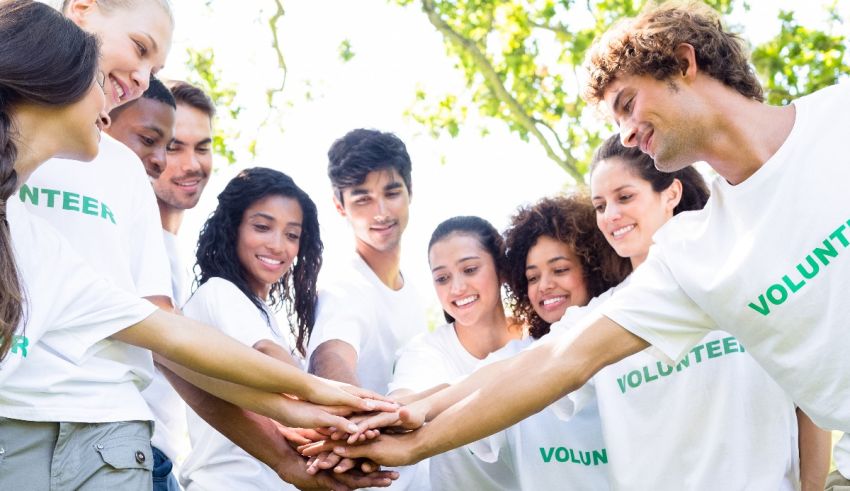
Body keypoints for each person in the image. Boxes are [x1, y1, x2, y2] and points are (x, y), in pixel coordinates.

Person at [332, 0, 849, 471]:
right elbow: (558, 361)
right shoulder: (694, 257)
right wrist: (414, 434)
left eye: (627, 103)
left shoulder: (838, 118)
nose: (624, 133)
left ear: (684, 64)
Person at [0, 4, 391, 489]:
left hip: (113, 441)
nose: (130, 87)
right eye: (138, 50)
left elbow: (167, 333)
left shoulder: (47, 249)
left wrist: (312, 398)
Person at [578, 136, 813, 489]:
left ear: (670, 194)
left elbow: (808, 392)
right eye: (600, 205)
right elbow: (525, 372)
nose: (611, 215)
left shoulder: (740, 273)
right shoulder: (598, 316)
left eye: (624, 197)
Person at [467, 194, 627, 490]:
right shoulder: (516, 355)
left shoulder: (629, 342)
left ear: (591, 267)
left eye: (560, 270)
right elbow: (459, 393)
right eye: (532, 277)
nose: (544, 286)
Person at [178, 167, 318, 489]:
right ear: (233, 228)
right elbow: (271, 359)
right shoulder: (219, 291)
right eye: (262, 227)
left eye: (292, 234)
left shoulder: (261, 312)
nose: (278, 245)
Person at [306, 128, 430, 489]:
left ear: (410, 192)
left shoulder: (413, 289)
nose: (381, 212)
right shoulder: (345, 285)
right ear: (339, 206)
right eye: (363, 199)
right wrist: (362, 428)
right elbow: (329, 361)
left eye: (392, 192)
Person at [386, 216, 521, 491]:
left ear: (501, 268)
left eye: (470, 269)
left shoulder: (540, 341)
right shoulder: (427, 351)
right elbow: (401, 403)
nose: (457, 288)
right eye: (442, 278)